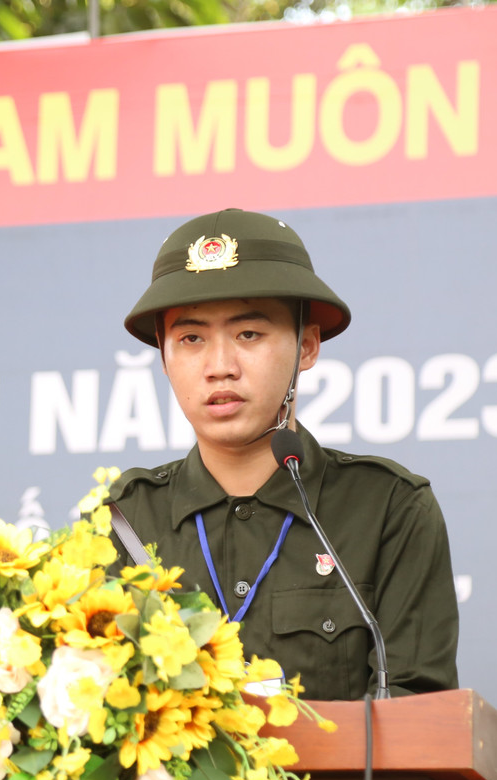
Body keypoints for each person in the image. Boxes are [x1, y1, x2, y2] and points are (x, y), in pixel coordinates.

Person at [106, 208, 458, 701]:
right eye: (191, 339)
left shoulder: (388, 509)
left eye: (248, 334)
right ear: (164, 356)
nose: (220, 366)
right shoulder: (125, 519)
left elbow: (417, 714)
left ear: (306, 347)